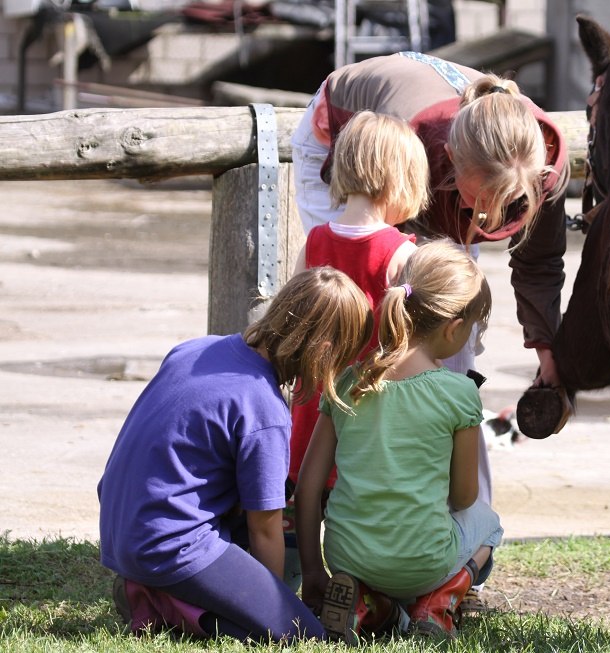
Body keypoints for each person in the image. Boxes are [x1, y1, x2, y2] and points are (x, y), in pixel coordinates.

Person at [98, 267, 373, 642]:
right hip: (169, 543)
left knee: (273, 489)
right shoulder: (264, 408)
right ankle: (161, 602)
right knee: (300, 634)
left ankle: (151, 587)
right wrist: (273, 607)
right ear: (323, 353)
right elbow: (264, 529)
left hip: (122, 529)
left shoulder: (195, 348)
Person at [291, 51, 570, 405]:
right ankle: (345, 428)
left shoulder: (538, 158)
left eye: (506, 200)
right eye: (479, 198)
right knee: (359, 312)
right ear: (452, 157)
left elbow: (539, 261)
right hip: (347, 136)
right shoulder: (412, 141)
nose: (487, 214)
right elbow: (371, 255)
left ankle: (452, 425)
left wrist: (547, 349)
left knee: (452, 317)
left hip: (433, 166)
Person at [294, 241, 504, 642]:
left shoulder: (347, 382)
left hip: (345, 559)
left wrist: (312, 571)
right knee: (488, 525)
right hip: (422, 565)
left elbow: (307, 488)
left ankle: (366, 604)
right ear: (454, 328)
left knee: (371, 569)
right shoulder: (459, 392)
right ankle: (436, 602)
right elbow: (463, 498)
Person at [283, 110, 428, 589]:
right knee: (359, 502)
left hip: (311, 398)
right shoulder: (400, 254)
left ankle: (303, 577)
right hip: (365, 409)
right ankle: (360, 585)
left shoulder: (315, 240)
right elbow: (407, 345)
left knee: (304, 492)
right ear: (402, 179)